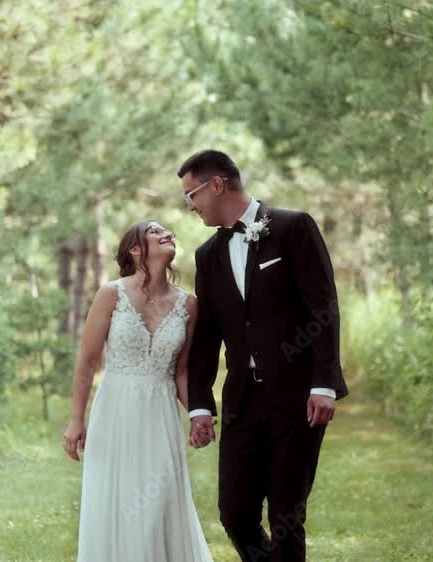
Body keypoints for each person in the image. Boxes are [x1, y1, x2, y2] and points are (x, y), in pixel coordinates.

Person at [181, 149, 349, 562]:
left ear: (216, 185)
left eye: (191, 195)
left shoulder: (294, 228)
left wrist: (324, 383)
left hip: (298, 398)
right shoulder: (207, 255)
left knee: (286, 517)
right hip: (242, 401)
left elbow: (323, 309)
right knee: (235, 513)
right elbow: (207, 337)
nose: (190, 206)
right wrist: (200, 405)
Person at [62, 220, 214, 562]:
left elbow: (181, 371)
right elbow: (86, 363)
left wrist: (197, 415)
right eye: (156, 232)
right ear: (135, 249)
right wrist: (76, 420)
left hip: (160, 414)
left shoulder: (188, 305)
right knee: (114, 504)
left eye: (168, 231)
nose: (167, 234)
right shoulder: (110, 294)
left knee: (158, 504)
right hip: (114, 412)